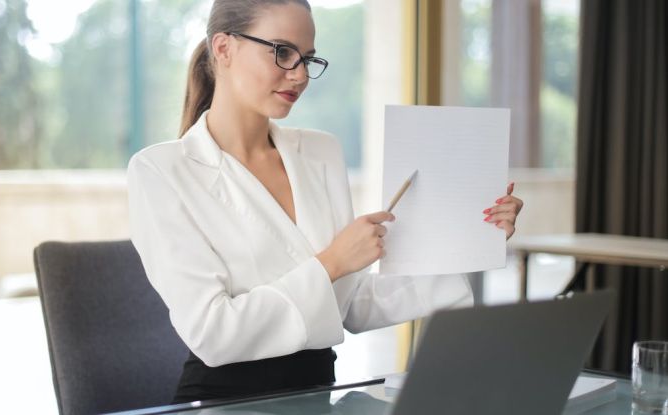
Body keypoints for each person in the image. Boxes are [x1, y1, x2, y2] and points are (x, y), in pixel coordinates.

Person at [127, 0, 524, 404]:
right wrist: (332, 261)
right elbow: (213, 334)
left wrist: (475, 239)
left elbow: (350, 305)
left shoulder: (320, 153)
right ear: (224, 49)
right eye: (282, 52)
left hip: (319, 394)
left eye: (308, 59)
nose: (299, 75)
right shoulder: (161, 172)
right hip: (226, 403)